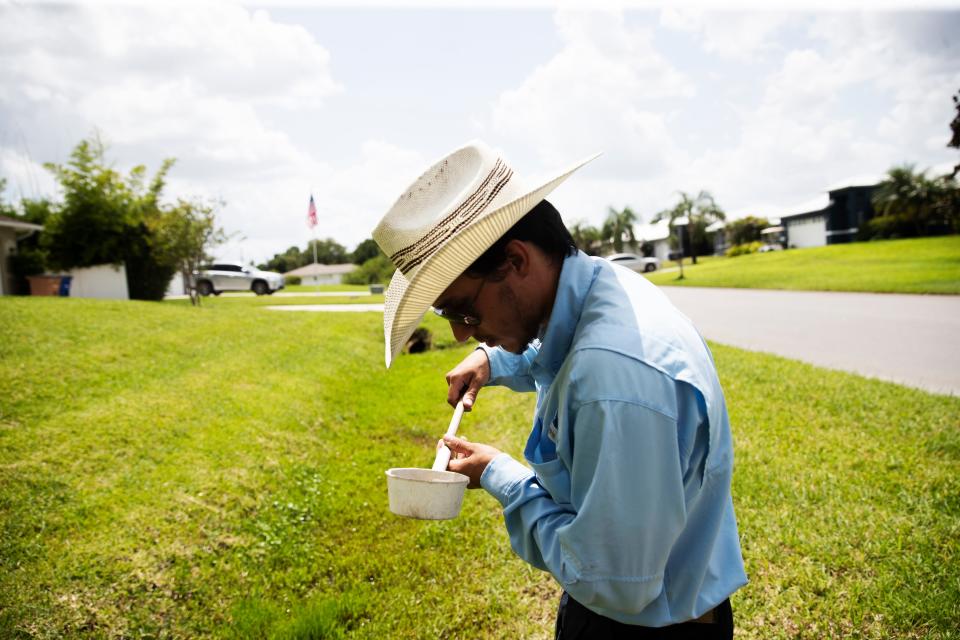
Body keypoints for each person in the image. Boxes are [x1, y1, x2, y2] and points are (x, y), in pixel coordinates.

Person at [372, 141, 747, 638]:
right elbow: (554, 346)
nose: (461, 333)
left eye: (464, 310)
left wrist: (499, 476)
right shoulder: (600, 288)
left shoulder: (610, 380)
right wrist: (492, 359)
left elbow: (615, 581)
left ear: (517, 261)